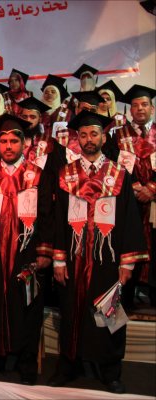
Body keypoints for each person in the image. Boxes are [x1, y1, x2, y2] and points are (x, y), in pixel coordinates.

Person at [49, 111, 149, 394]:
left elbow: (130, 220)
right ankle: (69, 366)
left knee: (110, 311)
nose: (88, 139)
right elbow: (58, 220)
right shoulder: (66, 174)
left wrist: (127, 264)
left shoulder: (119, 174)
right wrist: (58, 259)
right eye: (83, 135)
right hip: (74, 256)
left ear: (104, 138)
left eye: (94, 134)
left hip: (108, 258)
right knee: (72, 312)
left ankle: (110, 370)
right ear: (77, 140)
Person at [0, 114, 54, 385]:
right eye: (3, 141)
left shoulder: (36, 176)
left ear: (24, 143)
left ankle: (26, 362)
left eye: (13, 141)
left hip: (25, 253)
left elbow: (47, 215)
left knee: (27, 305)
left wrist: (44, 251)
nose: (8, 146)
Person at [116, 85, 156, 309]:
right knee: (129, 245)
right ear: (130, 110)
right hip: (129, 202)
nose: (140, 108)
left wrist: (152, 188)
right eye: (135, 105)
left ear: (152, 108)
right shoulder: (119, 136)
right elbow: (113, 165)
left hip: (154, 204)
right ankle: (127, 299)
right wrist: (133, 187)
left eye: (144, 104)